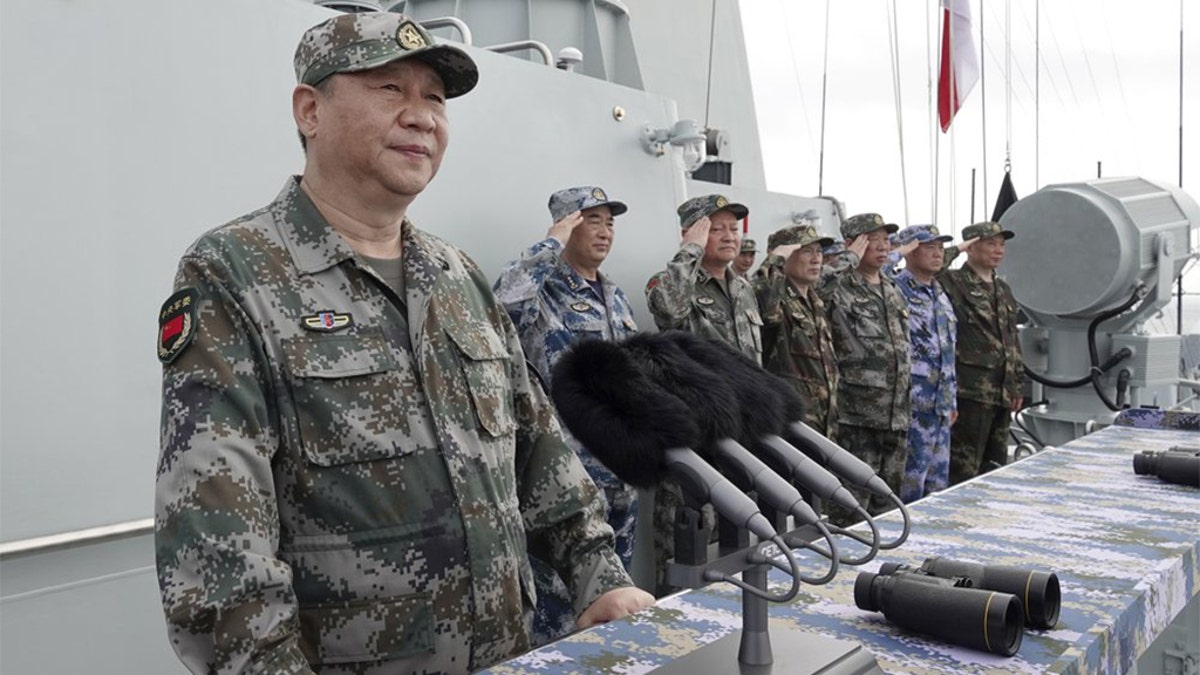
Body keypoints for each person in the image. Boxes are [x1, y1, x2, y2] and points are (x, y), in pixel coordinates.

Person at [154, 13, 652, 675]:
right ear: (310, 109)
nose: (422, 117)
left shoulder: (460, 276)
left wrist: (600, 574)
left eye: (435, 99)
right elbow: (217, 539)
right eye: (389, 89)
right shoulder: (233, 272)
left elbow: (538, 450)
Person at [493, 186, 640, 645]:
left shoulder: (615, 296)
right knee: (559, 611)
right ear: (567, 226)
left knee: (617, 601)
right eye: (591, 220)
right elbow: (502, 306)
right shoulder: (543, 290)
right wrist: (549, 244)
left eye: (609, 221)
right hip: (566, 480)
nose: (604, 231)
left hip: (620, 471)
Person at [817, 213, 911, 522]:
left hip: (896, 415)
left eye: (886, 240)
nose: (883, 247)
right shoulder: (838, 285)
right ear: (852, 244)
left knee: (888, 505)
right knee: (851, 509)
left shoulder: (893, 289)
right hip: (856, 416)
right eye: (873, 240)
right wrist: (847, 259)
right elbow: (813, 288)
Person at [938, 221, 1025, 485]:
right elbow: (932, 267)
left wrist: (1017, 385)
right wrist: (958, 248)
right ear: (971, 248)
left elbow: (1012, 340)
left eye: (1002, 245)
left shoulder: (1003, 290)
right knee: (963, 470)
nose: (998, 250)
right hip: (970, 392)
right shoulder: (954, 282)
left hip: (1002, 392)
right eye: (990, 244)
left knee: (996, 467)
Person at [645, 194, 763, 364]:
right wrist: (691, 248)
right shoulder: (668, 283)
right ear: (689, 235)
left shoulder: (744, 288)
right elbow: (670, 312)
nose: (729, 237)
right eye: (716, 229)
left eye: (734, 229)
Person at [888, 225, 958, 501]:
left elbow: (948, 350)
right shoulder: (896, 287)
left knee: (937, 488)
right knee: (908, 488)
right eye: (929, 248)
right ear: (910, 251)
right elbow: (870, 275)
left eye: (940, 248)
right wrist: (898, 252)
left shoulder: (940, 294)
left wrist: (952, 400)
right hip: (912, 406)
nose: (938, 254)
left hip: (940, 406)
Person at [753, 224, 839, 440]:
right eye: (806, 251)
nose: (816, 259)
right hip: (791, 427)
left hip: (825, 424)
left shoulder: (815, 302)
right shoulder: (777, 300)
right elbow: (761, 296)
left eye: (819, 251)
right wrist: (774, 259)